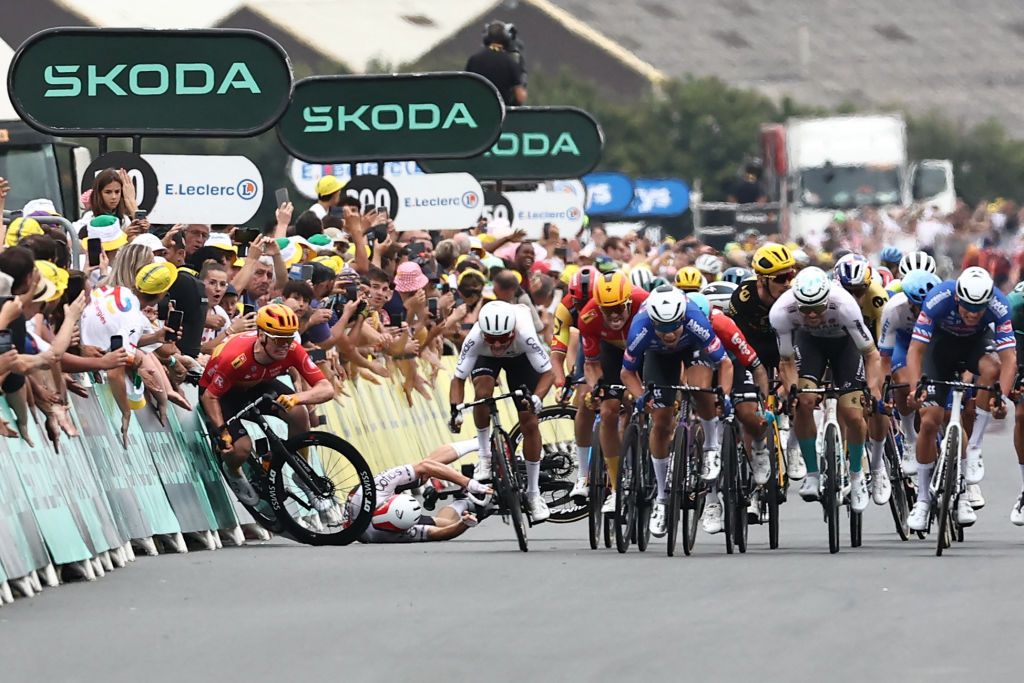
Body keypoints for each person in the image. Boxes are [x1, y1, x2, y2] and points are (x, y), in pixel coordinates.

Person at [905, 267, 1016, 530]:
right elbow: (915, 350)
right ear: (957, 298)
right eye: (967, 308)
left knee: (992, 368)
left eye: (978, 309)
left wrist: (1000, 396)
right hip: (939, 349)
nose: (972, 314)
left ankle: (972, 455)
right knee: (930, 422)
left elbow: (1010, 357)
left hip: (976, 346)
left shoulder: (1000, 305)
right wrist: (916, 387)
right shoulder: (938, 298)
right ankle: (922, 499)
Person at [620, 285, 732, 538]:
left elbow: (723, 363)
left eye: (673, 328)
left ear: (682, 318)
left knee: (700, 389)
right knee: (660, 421)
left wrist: (722, 394)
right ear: (653, 322)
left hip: (692, 349)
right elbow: (627, 372)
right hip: (657, 357)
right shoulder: (640, 328)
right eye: (662, 328)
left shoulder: (695, 320)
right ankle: (661, 497)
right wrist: (640, 397)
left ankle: (711, 446)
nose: (669, 334)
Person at [199, 303, 334, 506]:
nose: (284, 346)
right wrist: (221, 431)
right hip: (223, 394)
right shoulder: (236, 357)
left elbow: (326, 388)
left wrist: (298, 398)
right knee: (242, 448)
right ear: (261, 335)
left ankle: (300, 468)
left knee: (299, 413)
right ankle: (233, 471)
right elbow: (209, 397)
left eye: (289, 339)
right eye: (279, 339)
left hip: (256, 383)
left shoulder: (292, 349)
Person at [772, 267, 883, 512]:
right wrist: (792, 390)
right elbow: (787, 361)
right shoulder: (781, 311)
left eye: (818, 309)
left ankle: (856, 477)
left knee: (853, 413)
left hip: (846, 345)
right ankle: (812, 473)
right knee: (804, 402)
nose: (812, 315)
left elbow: (871, 354)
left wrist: (873, 388)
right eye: (805, 309)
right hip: (810, 345)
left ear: (827, 300)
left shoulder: (844, 304)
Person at [448, 299, 554, 522]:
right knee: (482, 391)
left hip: (521, 359)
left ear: (512, 332)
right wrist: (454, 410)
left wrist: (537, 398)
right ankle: (485, 456)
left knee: (529, 420)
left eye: (502, 340)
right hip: (486, 361)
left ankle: (533, 494)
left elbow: (548, 373)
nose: (496, 346)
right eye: (491, 341)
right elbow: (457, 379)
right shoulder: (476, 337)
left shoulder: (525, 333)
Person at [727, 243, 806, 479]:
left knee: (800, 395)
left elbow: (798, 343)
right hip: (750, 348)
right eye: (781, 278)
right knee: (748, 408)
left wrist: (786, 384)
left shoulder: (795, 298)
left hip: (784, 346)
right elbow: (734, 339)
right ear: (762, 280)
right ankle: (758, 452)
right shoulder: (743, 298)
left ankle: (793, 446)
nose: (788, 283)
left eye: (791, 275)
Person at [575, 272, 648, 504]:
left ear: (628, 301)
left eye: (619, 307)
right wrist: (598, 389)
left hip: (646, 352)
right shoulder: (588, 316)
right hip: (613, 353)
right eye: (608, 310)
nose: (615, 315)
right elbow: (592, 364)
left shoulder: (644, 304)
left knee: (652, 405)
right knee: (608, 411)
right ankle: (616, 487)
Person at [345, 440, 493, 543]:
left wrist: (468, 483)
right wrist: (465, 524)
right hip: (368, 523)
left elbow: (425, 465)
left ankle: (477, 443)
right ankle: (462, 503)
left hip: (367, 497)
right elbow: (439, 534)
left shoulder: (379, 487)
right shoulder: (386, 535)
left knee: (423, 471)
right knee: (446, 523)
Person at [465, 20, 527, 106]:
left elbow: (466, 89)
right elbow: (520, 96)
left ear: (486, 38)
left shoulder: (473, 60)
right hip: (504, 113)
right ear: (506, 39)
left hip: (478, 110)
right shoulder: (510, 62)